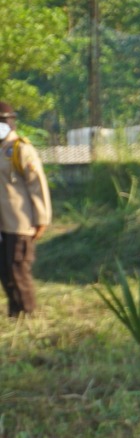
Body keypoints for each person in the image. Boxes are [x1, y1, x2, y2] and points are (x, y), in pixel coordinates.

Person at [0, 101, 53, 318]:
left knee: (18, 271)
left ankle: (27, 315)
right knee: (5, 272)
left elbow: (37, 185)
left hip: (20, 223)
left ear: (10, 122)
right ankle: (15, 314)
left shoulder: (21, 149)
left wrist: (42, 219)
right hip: (3, 225)